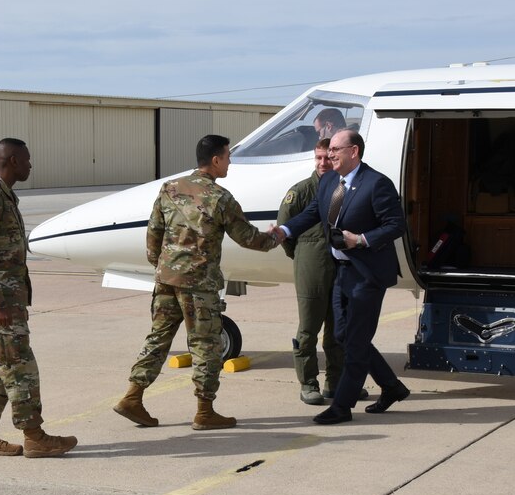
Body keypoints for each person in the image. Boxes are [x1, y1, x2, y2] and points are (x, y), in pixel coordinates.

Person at [114, 135, 280, 430]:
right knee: (206, 345)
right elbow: (248, 238)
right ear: (215, 160)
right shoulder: (220, 198)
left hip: (166, 278)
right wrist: (276, 236)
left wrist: (162, 265)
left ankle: (132, 396)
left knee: (158, 338)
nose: (229, 162)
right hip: (199, 284)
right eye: (228, 157)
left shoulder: (169, 188)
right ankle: (205, 412)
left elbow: (154, 232)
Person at [274, 129, 410, 424]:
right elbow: (313, 213)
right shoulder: (328, 182)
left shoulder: (376, 184)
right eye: (329, 150)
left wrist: (360, 239)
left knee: (357, 342)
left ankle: (342, 406)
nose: (330, 154)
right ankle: (391, 386)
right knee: (343, 335)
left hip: (368, 274)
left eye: (336, 149)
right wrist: (285, 230)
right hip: (341, 272)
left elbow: (395, 225)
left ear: (354, 152)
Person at [0, 137, 77, 457]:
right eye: (27, 160)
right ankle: (34, 435)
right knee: (19, 366)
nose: (30, 165)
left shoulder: (4, 196)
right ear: (12, 160)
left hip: (4, 297)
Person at [277, 138, 367, 405]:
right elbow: (285, 229)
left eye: (327, 157)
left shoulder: (348, 187)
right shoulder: (302, 191)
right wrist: (304, 257)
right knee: (308, 328)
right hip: (311, 268)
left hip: (342, 268)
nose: (323, 163)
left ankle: (336, 383)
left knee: (339, 329)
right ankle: (308, 383)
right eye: (318, 158)